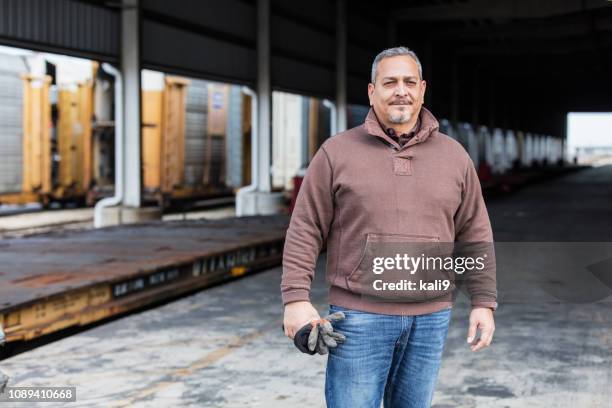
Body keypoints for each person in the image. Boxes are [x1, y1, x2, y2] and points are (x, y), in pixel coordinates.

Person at [281, 46, 497, 408]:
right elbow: (305, 228)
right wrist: (295, 299)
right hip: (359, 319)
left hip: (431, 319)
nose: (402, 90)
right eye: (390, 82)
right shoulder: (336, 153)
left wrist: (483, 302)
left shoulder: (454, 156)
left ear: (423, 89)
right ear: (371, 91)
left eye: (410, 82)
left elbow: (475, 232)